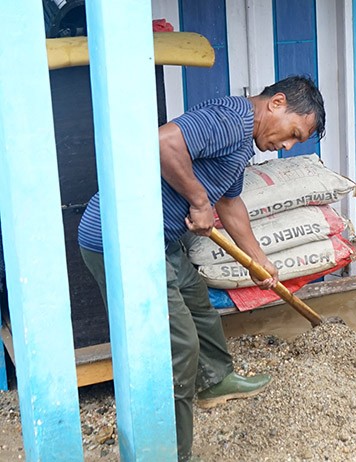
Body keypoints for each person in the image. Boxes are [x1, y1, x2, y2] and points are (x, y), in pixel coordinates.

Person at [78, 75, 326, 460]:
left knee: (201, 311)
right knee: (179, 346)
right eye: (293, 133)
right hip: (122, 241)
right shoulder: (232, 119)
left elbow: (229, 204)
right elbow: (164, 142)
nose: (287, 146)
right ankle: (170, 452)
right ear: (276, 103)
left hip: (160, 239)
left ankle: (215, 381)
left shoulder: (244, 144)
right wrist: (197, 199)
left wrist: (258, 259)